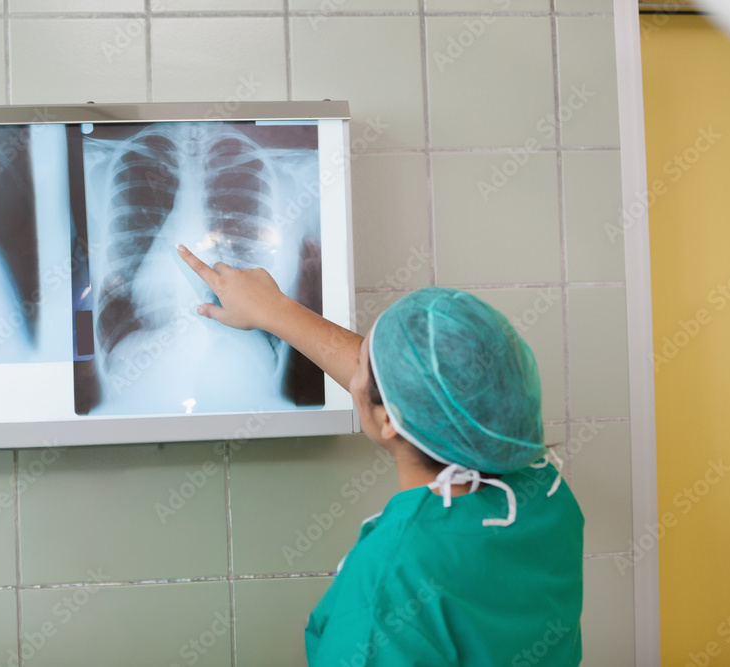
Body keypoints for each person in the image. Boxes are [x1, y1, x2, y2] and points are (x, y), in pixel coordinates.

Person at [176, 244, 584, 666]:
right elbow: (433, 389)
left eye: (364, 370)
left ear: (389, 418)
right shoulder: (543, 494)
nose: (354, 380)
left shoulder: (388, 591)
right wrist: (274, 309)